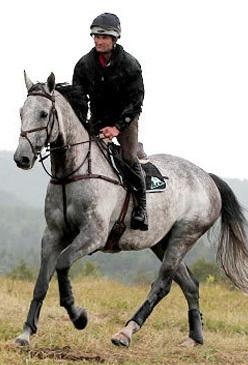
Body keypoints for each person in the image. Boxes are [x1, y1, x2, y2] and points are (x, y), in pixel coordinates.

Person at [73, 12, 148, 231]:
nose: (98, 40)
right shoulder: (84, 65)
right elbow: (79, 98)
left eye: (104, 37)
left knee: (127, 156)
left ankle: (141, 208)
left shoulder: (130, 64)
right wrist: (82, 124)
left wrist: (117, 128)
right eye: (96, 36)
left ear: (114, 39)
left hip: (125, 120)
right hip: (97, 118)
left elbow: (136, 101)